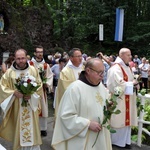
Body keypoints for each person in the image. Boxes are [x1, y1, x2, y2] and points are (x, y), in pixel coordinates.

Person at [51, 58, 112, 150]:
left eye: (103, 72)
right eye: (99, 73)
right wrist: (87, 124)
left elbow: (103, 105)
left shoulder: (100, 86)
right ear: (88, 70)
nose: (102, 76)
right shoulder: (75, 89)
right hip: (81, 139)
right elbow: (65, 116)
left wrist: (109, 106)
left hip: (100, 135)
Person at [0, 49, 43, 150]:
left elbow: (39, 85)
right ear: (14, 59)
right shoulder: (9, 73)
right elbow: (2, 87)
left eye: (23, 58)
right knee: (19, 131)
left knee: (32, 131)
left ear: (26, 57)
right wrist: (13, 93)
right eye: (18, 58)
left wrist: (31, 95)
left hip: (31, 106)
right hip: (16, 107)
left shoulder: (33, 70)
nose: (21, 60)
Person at [107, 48, 138, 149]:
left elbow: (130, 80)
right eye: (128, 55)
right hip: (119, 100)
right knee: (119, 120)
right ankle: (117, 143)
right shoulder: (115, 68)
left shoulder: (126, 67)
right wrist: (131, 83)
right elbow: (116, 85)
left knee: (126, 121)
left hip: (128, 98)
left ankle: (125, 141)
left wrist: (135, 82)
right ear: (122, 55)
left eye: (130, 55)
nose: (130, 57)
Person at [30, 45, 53, 136]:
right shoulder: (30, 64)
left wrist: (46, 83)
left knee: (43, 109)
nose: (40, 54)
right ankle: (33, 128)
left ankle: (43, 128)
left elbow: (49, 76)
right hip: (32, 90)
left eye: (41, 52)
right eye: (38, 52)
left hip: (42, 91)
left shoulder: (45, 65)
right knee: (33, 108)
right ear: (35, 53)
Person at [54, 48, 84, 116]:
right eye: (78, 56)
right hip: (72, 103)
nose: (80, 58)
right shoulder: (65, 72)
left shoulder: (84, 69)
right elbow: (65, 89)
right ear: (71, 58)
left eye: (81, 56)